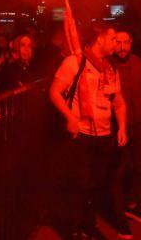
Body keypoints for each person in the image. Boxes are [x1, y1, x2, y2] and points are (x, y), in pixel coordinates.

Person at [49, 22, 128, 240]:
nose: (116, 44)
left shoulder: (111, 67)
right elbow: (54, 92)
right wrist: (70, 117)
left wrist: (121, 127)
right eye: (113, 39)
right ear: (100, 39)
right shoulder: (75, 62)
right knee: (79, 185)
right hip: (81, 135)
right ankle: (73, 229)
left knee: (96, 185)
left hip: (104, 136)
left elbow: (119, 102)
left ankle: (88, 225)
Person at [111, 29, 141, 231]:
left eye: (125, 42)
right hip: (117, 126)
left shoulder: (138, 62)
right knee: (120, 170)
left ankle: (131, 203)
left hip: (140, 124)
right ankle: (120, 215)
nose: (121, 47)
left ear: (131, 43)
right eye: (118, 42)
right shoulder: (108, 64)